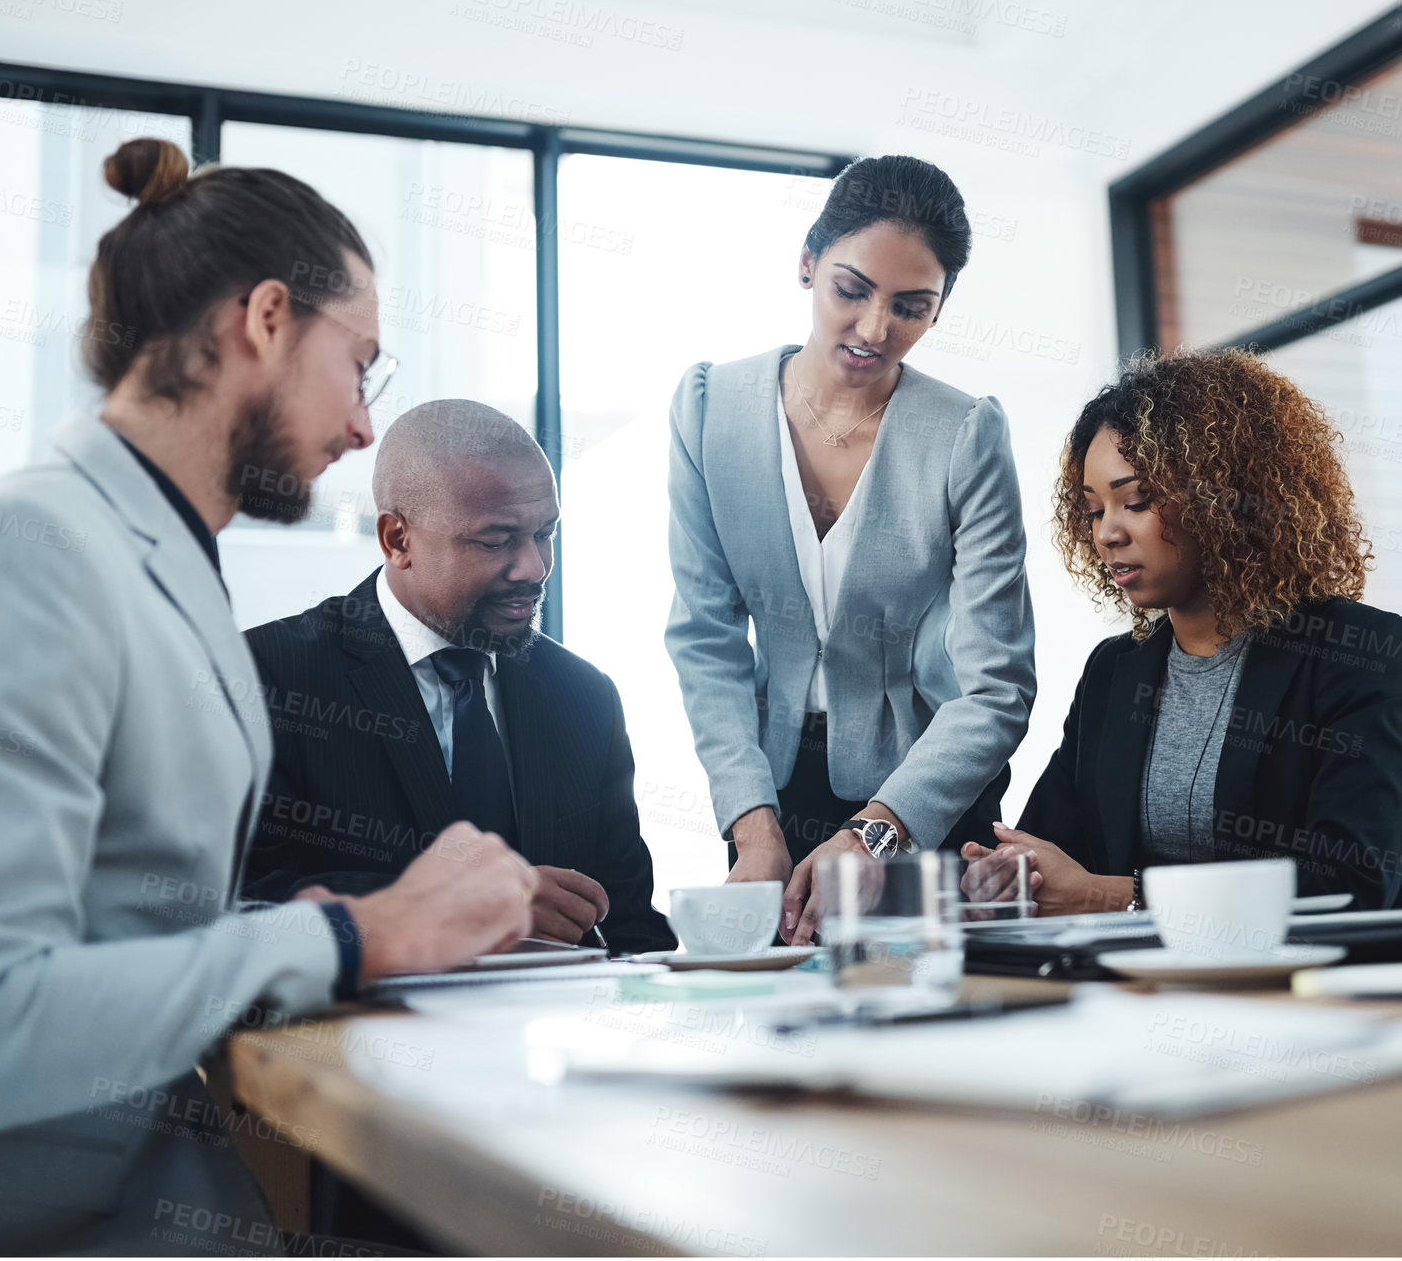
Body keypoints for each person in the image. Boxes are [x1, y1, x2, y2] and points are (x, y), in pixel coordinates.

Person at [0, 138, 537, 1254]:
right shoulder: (36, 548)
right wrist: (346, 934)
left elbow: (127, 923)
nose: (363, 425)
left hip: (170, 1175)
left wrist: (301, 925)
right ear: (269, 320)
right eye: (360, 365)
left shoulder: (163, 556)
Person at [665, 154, 1036, 944]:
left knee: (921, 1020)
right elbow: (706, 637)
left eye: (912, 306)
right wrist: (752, 825)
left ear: (940, 308)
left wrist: (878, 831)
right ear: (807, 262)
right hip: (770, 787)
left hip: (929, 793)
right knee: (780, 1036)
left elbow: (997, 684)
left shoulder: (966, 436)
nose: (875, 329)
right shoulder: (709, 411)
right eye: (851, 289)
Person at [968, 348, 1402, 914]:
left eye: (1137, 501)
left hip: (1303, 991)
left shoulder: (1364, 656)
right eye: (1094, 510)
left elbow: (1353, 886)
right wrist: (1011, 875)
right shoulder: (1113, 671)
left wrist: (1114, 896)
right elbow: (1057, 848)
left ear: (1225, 499)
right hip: (1132, 987)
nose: (1107, 535)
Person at [243, 399, 677, 957]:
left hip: (551, 1035)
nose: (535, 568)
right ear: (397, 540)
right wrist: (472, 906)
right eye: (496, 541)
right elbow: (241, 905)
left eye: (545, 533)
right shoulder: (271, 677)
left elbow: (631, 930)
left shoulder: (584, 697)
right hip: (356, 1036)